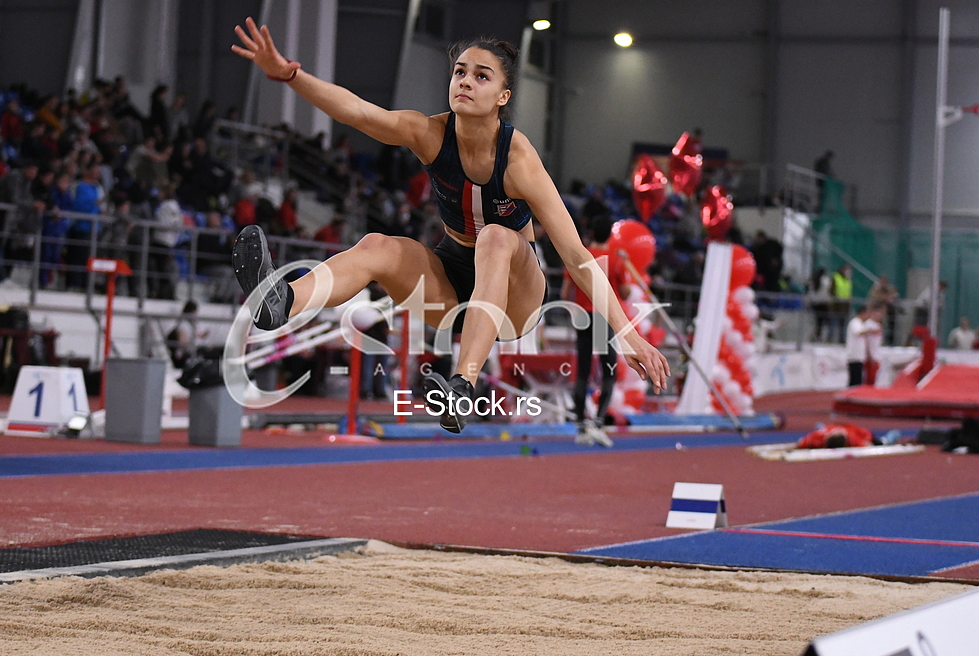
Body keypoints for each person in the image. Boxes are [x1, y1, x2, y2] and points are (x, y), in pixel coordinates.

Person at [229, 19, 669, 433]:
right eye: (460, 72)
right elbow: (358, 114)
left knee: (497, 236)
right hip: (453, 283)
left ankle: (462, 386)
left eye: (482, 76)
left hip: (516, 296)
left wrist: (627, 335)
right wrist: (290, 76)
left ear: (503, 95)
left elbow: (576, 254)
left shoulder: (518, 159)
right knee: (377, 244)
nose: (465, 81)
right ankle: (282, 301)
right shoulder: (428, 134)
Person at [560, 215, 630, 447]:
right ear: (610, 234)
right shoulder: (616, 261)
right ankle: (599, 424)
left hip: (582, 317)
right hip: (602, 317)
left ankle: (581, 426)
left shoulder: (580, 257)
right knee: (607, 371)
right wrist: (626, 264)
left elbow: (564, 293)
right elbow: (627, 292)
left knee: (582, 372)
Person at [846, 304, 883, 387]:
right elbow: (859, 332)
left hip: (859, 356)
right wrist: (871, 330)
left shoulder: (861, 323)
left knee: (857, 379)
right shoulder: (855, 323)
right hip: (854, 356)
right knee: (856, 380)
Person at [867, 274, 898, 346]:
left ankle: (889, 342)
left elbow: (892, 296)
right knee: (877, 326)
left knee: (888, 326)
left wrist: (887, 298)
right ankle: (878, 342)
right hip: (877, 311)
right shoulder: (876, 289)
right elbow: (876, 296)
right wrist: (885, 298)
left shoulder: (889, 289)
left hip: (886, 311)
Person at [830, 263, 852, 343]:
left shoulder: (848, 280)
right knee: (832, 323)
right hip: (836, 304)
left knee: (843, 323)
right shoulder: (835, 277)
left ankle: (842, 338)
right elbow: (831, 290)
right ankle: (830, 338)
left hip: (845, 305)